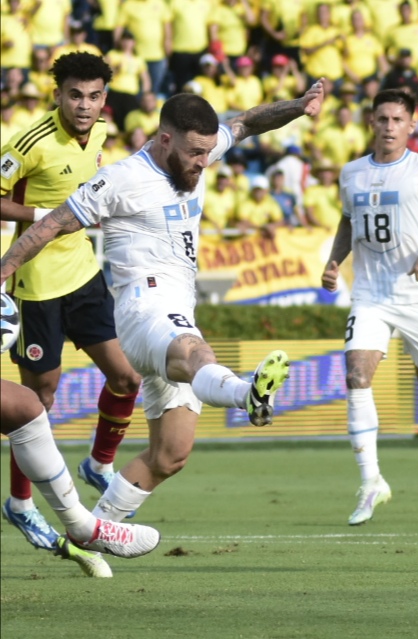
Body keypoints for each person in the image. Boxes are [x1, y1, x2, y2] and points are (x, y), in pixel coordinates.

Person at [0, 81, 327, 525]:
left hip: (178, 307)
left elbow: (247, 122)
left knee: (170, 454)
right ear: (165, 138)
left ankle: (94, 533)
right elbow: (50, 227)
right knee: (196, 351)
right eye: (195, 152)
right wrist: (1, 275)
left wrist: (299, 106)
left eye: (208, 152)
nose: (202, 162)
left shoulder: (199, 152)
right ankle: (246, 393)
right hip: (143, 309)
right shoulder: (120, 179)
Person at [0, 52, 144, 553]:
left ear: (105, 98)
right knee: (36, 405)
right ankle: (20, 503)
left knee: (127, 378)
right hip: (35, 285)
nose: (85, 105)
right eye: (75, 95)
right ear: (57, 93)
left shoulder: (102, 134)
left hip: (83, 274)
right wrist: (44, 213)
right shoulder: (28, 142)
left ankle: (98, 465)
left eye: (94, 95)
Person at [321, 89, 418, 526]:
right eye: (382, 119)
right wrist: (335, 262)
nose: (389, 126)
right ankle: (372, 482)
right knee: (356, 375)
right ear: (371, 123)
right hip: (370, 295)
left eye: (397, 120)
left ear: (412, 125)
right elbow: (348, 221)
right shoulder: (351, 173)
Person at [0, 292, 161, 578]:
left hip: (80, 282)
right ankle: (32, 507)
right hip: (36, 290)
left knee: (25, 408)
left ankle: (83, 522)